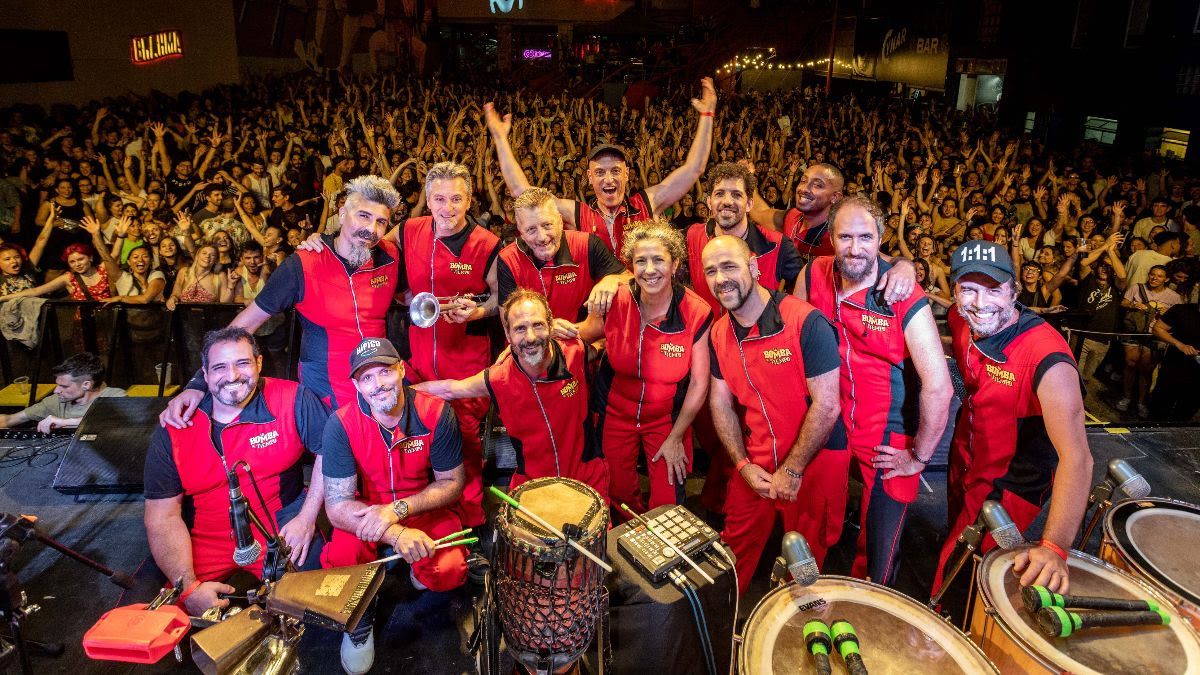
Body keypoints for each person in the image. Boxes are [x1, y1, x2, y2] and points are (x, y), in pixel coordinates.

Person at [159, 175, 404, 432]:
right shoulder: (302, 264)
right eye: (363, 216)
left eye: (381, 222)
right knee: (335, 463)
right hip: (326, 392)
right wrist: (198, 384)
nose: (371, 229)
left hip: (380, 387)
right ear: (341, 213)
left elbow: (410, 294)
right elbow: (241, 327)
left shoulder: (390, 255)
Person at [795, 196, 951, 586]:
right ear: (830, 237)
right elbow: (792, 333)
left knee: (880, 551)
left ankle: (872, 614)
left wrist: (919, 456)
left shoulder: (900, 293)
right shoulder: (815, 274)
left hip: (884, 433)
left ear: (881, 237)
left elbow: (939, 386)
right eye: (845, 236)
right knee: (811, 518)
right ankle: (800, 591)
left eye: (866, 237)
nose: (854, 247)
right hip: (829, 418)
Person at [933, 240, 1092, 600]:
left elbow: (1078, 458)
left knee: (954, 573)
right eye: (968, 289)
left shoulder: (1046, 356)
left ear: (1014, 291)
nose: (980, 302)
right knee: (955, 539)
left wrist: (1054, 547)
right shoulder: (961, 319)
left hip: (1010, 479)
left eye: (994, 290)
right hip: (967, 454)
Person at [142, 328, 327, 617]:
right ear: (204, 373)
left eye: (242, 363)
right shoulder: (174, 428)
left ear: (259, 364)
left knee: (322, 604)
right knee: (163, 621)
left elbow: (329, 453)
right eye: (219, 367)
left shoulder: (293, 398)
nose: (232, 375)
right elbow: (162, 516)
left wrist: (306, 518)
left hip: (277, 527)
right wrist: (189, 587)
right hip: (206, 537)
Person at [702, 235, 844, 594]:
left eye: (729, 266)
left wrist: (793, 469)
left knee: (806, 566)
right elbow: (720, 403)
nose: (721, 279)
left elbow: (827, 406)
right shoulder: (719, 333)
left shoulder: (805, 321)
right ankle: (722, 630)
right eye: (711, 271)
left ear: (753, 265)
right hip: (760, 456)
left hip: (817, 458)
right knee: (732, 553)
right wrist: (741, 463)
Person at [320, 337, 467, 675]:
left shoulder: (436, 411)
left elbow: (452, 482)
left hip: (421, 506)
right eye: (367, 378)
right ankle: (358, 622)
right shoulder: (340, 424)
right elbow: (338, 505)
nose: (378, 384)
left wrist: (399, 510)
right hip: (367, 512)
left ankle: (418, 569)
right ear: (356, 385)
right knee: (340, 561)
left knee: (450, 569)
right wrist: (394, 531)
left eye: (385, 371)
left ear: (401, 370)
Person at [485, 78, 717, 257]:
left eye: (616, 171)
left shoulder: (646, 203)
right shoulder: (578, 213)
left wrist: (707, 114)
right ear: (589, 177)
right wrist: (500, 139)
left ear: (627, 174)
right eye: (600, 172)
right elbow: (520, 191)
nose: (609, 179)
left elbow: (694, 168)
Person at [570, 221, 712, 512]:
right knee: (618, 494)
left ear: (675, 265)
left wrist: (675, 437)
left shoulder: (696, 312)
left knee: (668, 502)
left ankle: (662, 556)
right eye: (641, 261)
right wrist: (547, 329)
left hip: (667, 419)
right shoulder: (615, 299)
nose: (649, 270)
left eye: (658, 260)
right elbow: (586, 331)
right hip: (614, 413)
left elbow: (699, 383)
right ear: (631, 266)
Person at [415, 290, 609, 497]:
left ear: (551, 326)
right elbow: (449, 388)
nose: (531, 337)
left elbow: (603, 342)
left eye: (538, 325)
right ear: (508, 335)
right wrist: (400, 391)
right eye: (520, 329)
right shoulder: (498, 378)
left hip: (587, 477)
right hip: (533, 487)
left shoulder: (575, 350)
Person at [497, 187, 628, 324]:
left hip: (582, 338)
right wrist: (548, 331)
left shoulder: (588, 244)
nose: (542, 237)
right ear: (520, 232)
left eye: (547, 225)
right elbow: (509, 322)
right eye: (531, 230)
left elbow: (628, 278)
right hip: (533, 341)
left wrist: (613, 279)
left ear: (560, 221)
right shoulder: (508, 259)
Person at [685, 162, 801, 312]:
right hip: (708, 334)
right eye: (719, 194)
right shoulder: (691, 236)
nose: (727, 201)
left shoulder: (778, 245)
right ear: (709, 202)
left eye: (736, 194)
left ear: (749, 204)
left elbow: (805, 295)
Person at [0, 352, 126, 434]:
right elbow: (9, 420)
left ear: (86, 384)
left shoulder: (116, 396)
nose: (56, 390)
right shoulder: (56, 401)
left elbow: (117, 422)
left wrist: (65, 422)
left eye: (64, 386)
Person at [750, 163, 845, 268]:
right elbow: (759, 212)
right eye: (803, 181)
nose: (804, 189)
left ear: (835, 197)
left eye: (817, 185)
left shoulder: (841, 237)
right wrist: (748, 177)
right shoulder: (792, 217)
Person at [1117, 265, 1182, 417]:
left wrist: (1169, 313)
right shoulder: (1136, 288)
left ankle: (1141, 402)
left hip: (1155, 336)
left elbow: (1179, 318)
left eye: (1159, 276)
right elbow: (1123, 303)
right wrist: (1133, 305)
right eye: (1152, 274)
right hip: (1134, 332)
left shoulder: (1174, 297)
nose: (1154, 278)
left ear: (1166, 279)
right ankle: (1126, 397)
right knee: (1130, 363)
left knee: (1146, 369)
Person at [1150, 302, 1200, 421]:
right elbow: (1157, 328)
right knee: (1158, 411)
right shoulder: (1182, 309)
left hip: (1197, 380)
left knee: (1183, 416)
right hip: (1173, 370)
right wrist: (1179, 344)